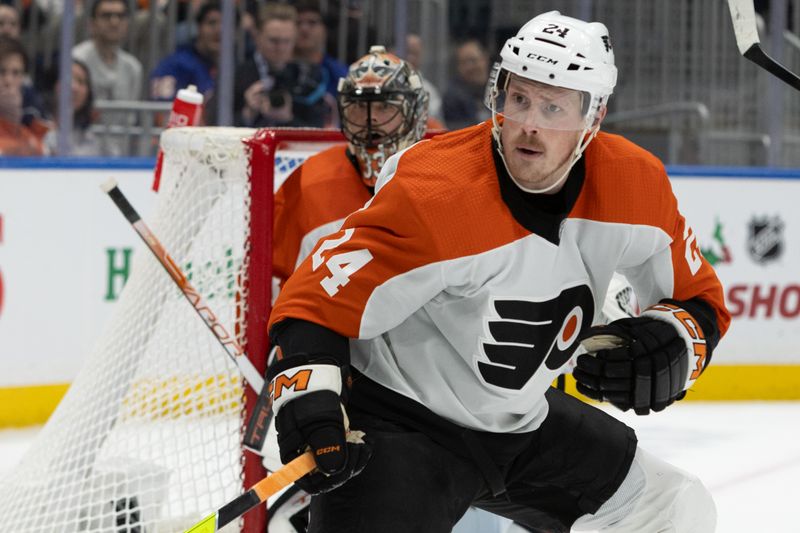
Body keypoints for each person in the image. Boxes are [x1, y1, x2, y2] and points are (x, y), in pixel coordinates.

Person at [265, 10, 731, 533]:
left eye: (554, 107)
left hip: (524, 427)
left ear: (593, 118)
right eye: (520, 99)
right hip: (401, 425)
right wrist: (311, 400)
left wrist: (674, 341)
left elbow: (699, 300)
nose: (530, 123)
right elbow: (314, 296)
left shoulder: (635, 184)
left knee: (674, 508)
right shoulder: (436, 190)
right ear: (498, 97)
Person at [263, 44, 429, 531]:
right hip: (341, 379)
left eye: (385, 108)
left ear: (415, 113)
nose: (371, 122)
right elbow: (280, 287)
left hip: (431, 383)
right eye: (358, 108)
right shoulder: (309, 182)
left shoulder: (446, 172)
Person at [234, 2, 327, 128]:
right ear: (257, 37)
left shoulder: (308, 77)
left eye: (287, 41)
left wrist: (288, 119)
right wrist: (247, 114)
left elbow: (317, 131)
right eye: (274, 41)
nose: (281, 48)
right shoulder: (236, 76)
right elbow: (214, 127)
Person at [150, 0, 221, 106]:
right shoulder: (175, 64)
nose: (219, 30)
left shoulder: (235, 67)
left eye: (228, 25)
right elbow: (161, 112)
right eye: (212, 23)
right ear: (199, 27)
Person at [72, 0, 143, 102]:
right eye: (106, 16)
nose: (114, 22)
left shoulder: (133, 67)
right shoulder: (76, 60)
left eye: (120, 16)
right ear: (91, 24)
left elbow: (129, 116)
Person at [43, 59, 107, 156]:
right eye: (67, 80)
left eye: (81, 82)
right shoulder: (37, 127)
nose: (74, 88)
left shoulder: (92, 137)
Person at [0, 35, 48, 155]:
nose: (8, 80)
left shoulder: (33, 107)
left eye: (16, 73)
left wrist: (12, 123)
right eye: (1, 71)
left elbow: (47, 150)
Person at [443, 37, 491, 130]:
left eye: (473, 60)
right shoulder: (452, 97)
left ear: (485, 59)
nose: (469, 67)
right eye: (464, 63)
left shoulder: (501, 90)